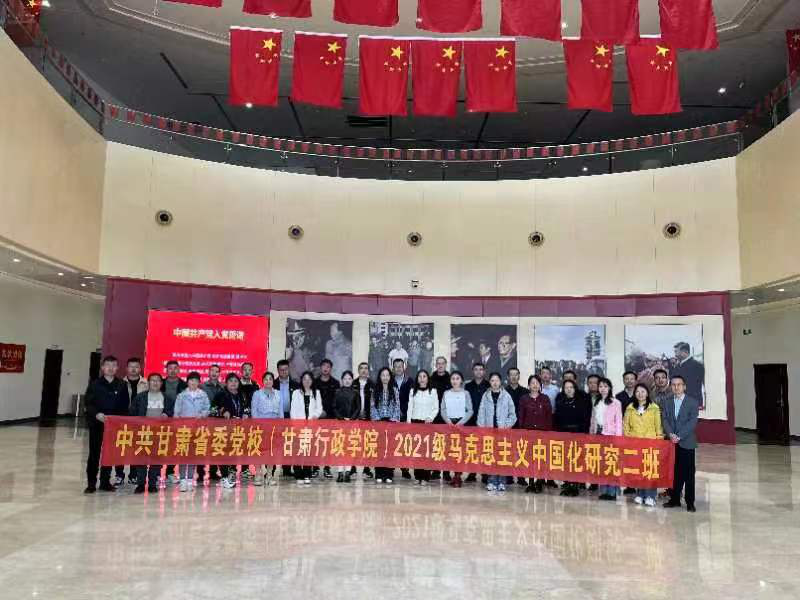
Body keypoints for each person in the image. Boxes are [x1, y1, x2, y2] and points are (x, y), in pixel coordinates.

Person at [84, 356, 129, 494]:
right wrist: (96, 414)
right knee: (94, 454)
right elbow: (88, 404)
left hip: (114, 426)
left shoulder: (122, 384)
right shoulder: (95, 384)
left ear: (117, 368)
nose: (110, 368)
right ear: (102, 368)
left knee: (109, 454)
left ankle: (105, 482)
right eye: (108, 365)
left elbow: (125, 405)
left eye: (113, 365)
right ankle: (91, 483)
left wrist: (120, 421)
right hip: (97, 424)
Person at [662, 375, 699, 513]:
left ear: (684, 386)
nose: (676, 387)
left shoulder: (692, 402)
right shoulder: (667, 402)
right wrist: (670, 434)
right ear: (670, 387)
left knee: (688, 474)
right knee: (674, 472)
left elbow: (692, 422)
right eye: (673, 385)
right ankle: (674, 499)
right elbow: (665, 419)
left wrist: (679, 436)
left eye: (679, 384)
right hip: (671, 443)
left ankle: (690, 502)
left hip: (686, 442)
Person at [624, 383, 663, 507]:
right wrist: (629, 440)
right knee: (638, 470)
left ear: (647, 393)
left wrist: (659, 442)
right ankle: (640, 494)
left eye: (643, 391)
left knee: (650, 470)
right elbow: (626, 426)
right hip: (635, 443)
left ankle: (651, 496)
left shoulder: (654, 408)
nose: (640, 394)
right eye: (637, 392)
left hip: (650, 443)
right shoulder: (630, 408)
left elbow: (658, 427)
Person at [477, 373, 516, 493]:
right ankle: (491, 481)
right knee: (490, 457)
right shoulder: (485, 396)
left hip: (502, 433)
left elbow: (513, 415)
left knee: (502, 457)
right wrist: (482, 429)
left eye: (497, 380)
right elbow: (481, 414)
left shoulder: (506, 396)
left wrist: (505, 427)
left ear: (500, 382)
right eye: (492, 380)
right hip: (489, 432)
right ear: (490, 382)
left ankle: (502, 482)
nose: (494, 383)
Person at [553, 379, 592, 497]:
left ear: (575, 389)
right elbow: (557, 419)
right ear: (563, 389)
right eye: (566, 388)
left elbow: (585, 419)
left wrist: (583, 434)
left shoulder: (581, 401)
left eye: (571, 387)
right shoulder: (560, 401)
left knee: (576, 460)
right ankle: (567, 484)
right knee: (566, 460)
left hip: (578, 434)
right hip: (564, 434)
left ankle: (575, 485)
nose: (569, 390)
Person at [173, 372, 210, 492]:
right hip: (184, 429)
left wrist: (202, 415)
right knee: (183, 454)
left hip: (198, 428)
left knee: (193, 454)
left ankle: (190, 479)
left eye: (196, 381)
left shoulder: (203, 395)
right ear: (187, 381)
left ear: (199, 382)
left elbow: (207, 409)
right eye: (191, 380)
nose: (193, 383)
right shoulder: (181, 395)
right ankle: (182, 480)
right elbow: (176, 412)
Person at [130, 373, 166, 494]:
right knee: (141, 458)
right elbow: (132, 412)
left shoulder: (166, 397)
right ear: (148, 383)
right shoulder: (140, 397)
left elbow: (171, 411)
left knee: (156, 459)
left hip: (159, 432)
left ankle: (152, 484)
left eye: (158, 381)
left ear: (161, 383)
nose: (155, 383)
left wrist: (167, 414)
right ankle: (140, 484)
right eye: (152, 380)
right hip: (143, 431)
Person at [517, 375, 552, 493]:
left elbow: (549, 417)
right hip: (528, 433)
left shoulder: (545, 398)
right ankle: (531, 482)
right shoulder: (524, 399)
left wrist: (548, 432)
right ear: (528, 385)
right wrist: (522, 431)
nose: (535, 385)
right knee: (530, 458)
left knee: (541, 458)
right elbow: (521, 416)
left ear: (540, 385)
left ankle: (539, 482)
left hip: (542, 434)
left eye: (537, 383)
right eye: (532, 383)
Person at [117, 357, 149, 486]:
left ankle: (133, 475)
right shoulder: (120, 383)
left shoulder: (146, 383)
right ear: (127, 368)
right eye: (131, 366)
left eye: (136, 367)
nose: (134, 369)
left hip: (140, 420)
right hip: (123, 420)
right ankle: (119, 475)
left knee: (137, 447)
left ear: (140, 368)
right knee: (121, 447)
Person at [590, 377, 623, 501]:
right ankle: (603, 491)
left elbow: (619, 422)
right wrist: (591, 435)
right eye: (600, 386)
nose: (603, 389)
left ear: (609, 388)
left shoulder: (616, 402)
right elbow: (593, 420)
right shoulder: (596, 401)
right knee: (601, 464)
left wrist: (618, 439)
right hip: (598, 434)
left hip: (611, 435)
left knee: (612, 463)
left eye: (605, 386)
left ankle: (612, 492)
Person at [440, 371, 473, 488]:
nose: (455, 381)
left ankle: (458, 476)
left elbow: (470, 410)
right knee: (450, 450)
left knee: (460, 451)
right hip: (449, 424)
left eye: (457, 378)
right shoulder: (446, 393)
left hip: (461, 424)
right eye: (453, 379)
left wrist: (460, 423)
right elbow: (443, 409)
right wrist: (449, 421)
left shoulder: (466, 393)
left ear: (461, 380)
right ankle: (451, 474)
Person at [406, 370, 439, 485]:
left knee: (426, 451)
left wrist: (430, 417)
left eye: (424, 376)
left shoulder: (433, 391)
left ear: (428, 379)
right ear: (417, 379)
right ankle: (417, 476)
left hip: (427, 424)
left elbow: (436, 408)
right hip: (415, 423)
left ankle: (425, 476)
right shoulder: (413, 391)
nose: (422, 378)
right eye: (420, 376)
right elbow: (410, 408)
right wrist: (408, 423)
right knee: (416, 451)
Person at [290, 371, 323, 485]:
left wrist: (315, 416)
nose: (307, 381)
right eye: (304, 379)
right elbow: (293, 410)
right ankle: (298, 473)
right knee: (298, 451)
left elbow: (319, 409)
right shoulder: (296, 393)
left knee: (309, 451)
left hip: (311, 426)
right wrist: (296, 425)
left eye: (309, 379)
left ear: (312, 381)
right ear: (301, 380)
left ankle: (307, 473)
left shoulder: (316, 392)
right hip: (298, 426)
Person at [214, 373, 246, 489]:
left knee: (234, 451)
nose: (233, 383)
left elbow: (246, 408)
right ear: (226, 383)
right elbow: (213, 409)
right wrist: (222, 412)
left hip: (238, 428)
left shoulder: (241, 395)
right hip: (223, 428)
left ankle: (231, 474)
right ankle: (224, 477)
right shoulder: (220, 394)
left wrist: (246, 414)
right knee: (223, 452)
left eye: (236, 381)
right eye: (231, 381)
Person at [251, 371, 283, 486]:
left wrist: (280, 427)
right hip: (260, 426)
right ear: (262, 381)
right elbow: (254, 411)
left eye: (270, 379)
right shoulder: (257, 394)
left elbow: (280, 412)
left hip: (274, 426)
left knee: (271, 452)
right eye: (266, 379)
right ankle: (258, 474)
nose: (268, 381)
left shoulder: (278, 394)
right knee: (259, 451)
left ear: (273, 381)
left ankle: (269, 475)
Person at [370, 367, 401, 484]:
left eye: (387, 375)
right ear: (380, 377)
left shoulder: (395, 390)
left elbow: (397, 407)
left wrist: (393, 420)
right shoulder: (375, 390)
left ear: (390, 377)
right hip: (379, 422)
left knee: (390, 449)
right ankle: (379, 473)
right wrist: (377, 420)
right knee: (379, 449)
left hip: (391, 422)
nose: (385, 377)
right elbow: (372, 406)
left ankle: (389, 474)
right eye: (383, 375)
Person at [464, 362, 490, 483]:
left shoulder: (489, 385)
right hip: (471, 421)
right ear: (473, 371)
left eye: (481, 369)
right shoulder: (468, 386)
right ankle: (472, 473)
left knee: (485, 447)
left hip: (485, 422)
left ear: (484, 371)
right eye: (476, 369)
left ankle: (485, 473)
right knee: (472, 447)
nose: (478, 372)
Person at [198, 364, 224, 482]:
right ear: (208, 372)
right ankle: (200, 472)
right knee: (202, 446)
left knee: (216, 446)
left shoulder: (223, 387)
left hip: (219, 421)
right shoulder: (202, 386)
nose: (214, 373)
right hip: (205, 420)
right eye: (212, 371)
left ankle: (213, 472)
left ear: (219, 374)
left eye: (216, 371)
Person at [161, 360, 186, 484]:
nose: (173, 370)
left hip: (178, 419)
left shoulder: (184, 385)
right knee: (161, 446)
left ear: (179, 370)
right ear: (166, 370)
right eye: (170, 368)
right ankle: (157, 473)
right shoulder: (160, 383)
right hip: (162, 419)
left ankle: (170, 472)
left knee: (174, 446)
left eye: (175, 368)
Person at [315, 358, 340, 479]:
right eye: (324, 366)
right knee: (317, 443)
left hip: (331, 417)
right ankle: (315, 467)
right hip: (317, 418)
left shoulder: (335, 383)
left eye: (328, 366)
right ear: (321, 368)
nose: (326, 368)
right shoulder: (315, 382)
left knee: (328, 444)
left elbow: (337, 401)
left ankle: (327, 468)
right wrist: (319, 412)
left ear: (331, 369)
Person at [332, 371, 360, 482]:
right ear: (342, 380)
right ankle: (340, 472)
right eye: (345, 378)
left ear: (352, 380)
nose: (347, 380)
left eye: (349, 378)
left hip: (352, 424)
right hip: (340, 423)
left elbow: (358, 408)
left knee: (349, 448)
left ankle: (348, 472)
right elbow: (334, 407)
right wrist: (341, 418)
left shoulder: (356, 393)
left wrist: (351, 419)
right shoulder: (337, 392)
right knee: (340, 448)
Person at [538, 366, 561, 490]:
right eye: (543, 373)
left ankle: (551, 478)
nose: (545, 375)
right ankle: (541, 478)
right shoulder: (537, 388)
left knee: (552, 450)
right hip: (539, 421)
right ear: (540, 375)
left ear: (551, 375)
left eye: (548, 373)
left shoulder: (555, 389)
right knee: (541, 450)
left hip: (552, 420)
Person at [429, 356, 451, 481]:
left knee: (447, 444)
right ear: (435, 365)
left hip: (448, 417)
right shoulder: (431, 379)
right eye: (438, 363)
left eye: (442, 363)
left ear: (445, 364)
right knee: (436, 444)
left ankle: (447, 472)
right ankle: (436, 471)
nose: (440, 365)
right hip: (435, 417)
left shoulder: (451, 379)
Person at [275, 359, 298, 478]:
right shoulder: (273, 383)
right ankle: (272, 469)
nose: (283, 372)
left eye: (285, 369)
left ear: (289, 369)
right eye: (281, 370)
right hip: (276, 417)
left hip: (290, 416)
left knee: (289, 442)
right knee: (274, 443)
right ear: (278, 370)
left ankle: (287, 468)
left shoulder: (295, 384)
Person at [504, 367, 527, 485]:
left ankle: (521, 477)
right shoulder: (503, 391)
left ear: (519, 376)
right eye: (511, 375)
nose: (513, 377)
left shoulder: (525, 391)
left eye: (516, 374)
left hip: (521, 426)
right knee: (508, 450)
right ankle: (508, 476)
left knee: (521, 451)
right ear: (508, 377)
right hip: (507, 426)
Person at [392, 358, 414, 480]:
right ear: (393, 368)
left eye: (400, 366)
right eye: (396, 366)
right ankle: (391, 467)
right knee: (392, 443)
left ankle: (405, 468)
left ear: (404, 367)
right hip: (392, 417)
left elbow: (412, 399)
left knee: (405, 443)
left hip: (405, 416)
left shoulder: (410, 381)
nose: (398, 368)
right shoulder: (390, 380)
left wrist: (404, 411)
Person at [353, 362, 374, 479]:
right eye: (361, 368)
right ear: (358, 370)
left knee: (367, 444)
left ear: (368, 371)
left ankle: (367, 469)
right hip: (355, 419)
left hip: (368, 419)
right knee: (354, 443)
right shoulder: (353, 384)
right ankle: (352, 468)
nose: (364, 370)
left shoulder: (372, 384)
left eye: (366, 368)